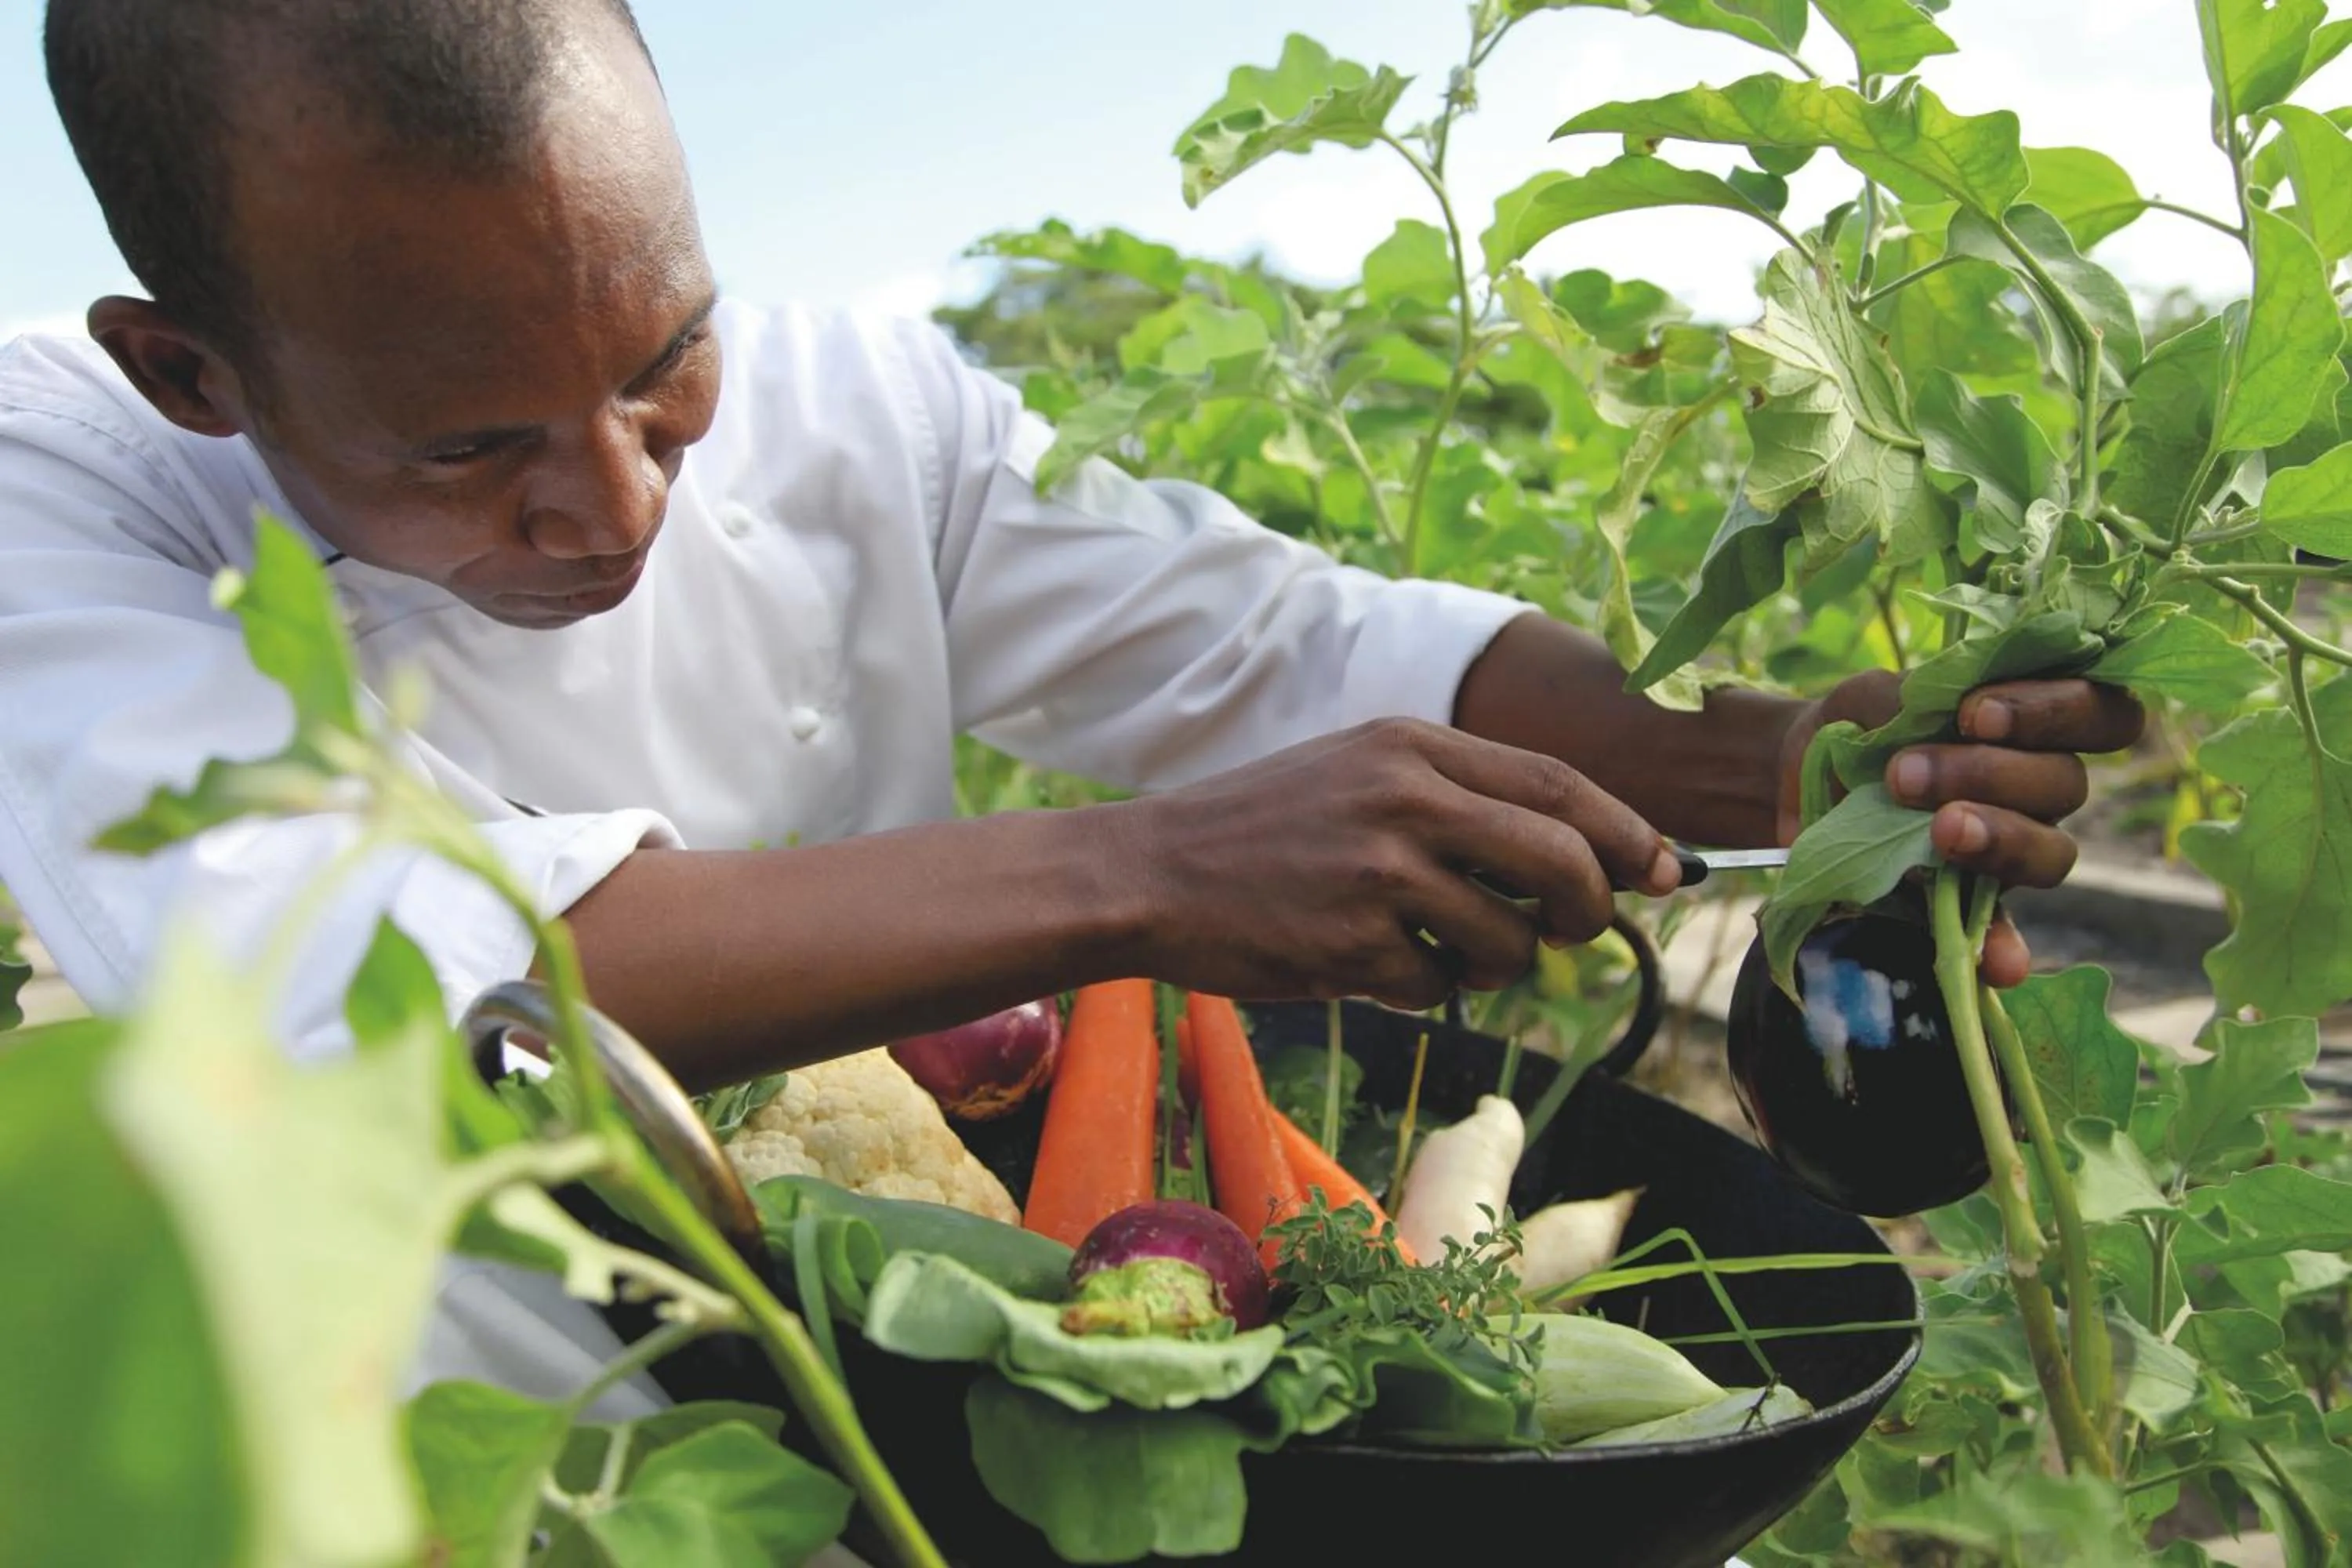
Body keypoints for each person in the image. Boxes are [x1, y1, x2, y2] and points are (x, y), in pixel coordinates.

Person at [5, 0, 2140, 1408]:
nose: (619, 493)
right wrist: (1149, 876)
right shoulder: (56, 482)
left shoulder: (869, 410)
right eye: (472, 450)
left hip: (960, 1400)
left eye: (667, 356)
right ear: (193, 372)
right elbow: (404, 991)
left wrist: (1791, 764)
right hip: (476, 1443)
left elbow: (1302, 647)